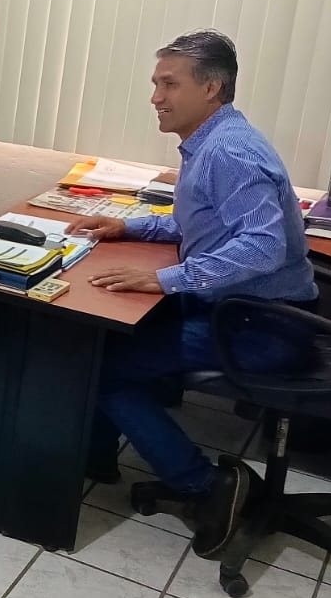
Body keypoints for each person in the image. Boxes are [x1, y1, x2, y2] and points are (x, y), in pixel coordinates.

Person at [67, 29, 317, 559]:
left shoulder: (230, 151)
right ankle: (95, 456)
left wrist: (164, 279)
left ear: (211, 88)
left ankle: (207, 487)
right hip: (241, 308)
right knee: (103, 334)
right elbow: (202, 224)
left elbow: (262, 247)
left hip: (263, 325)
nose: (155, 97)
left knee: (103, 369)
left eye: (169, 84)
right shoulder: (211, 141)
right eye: (155, 84)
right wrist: (129, 227)